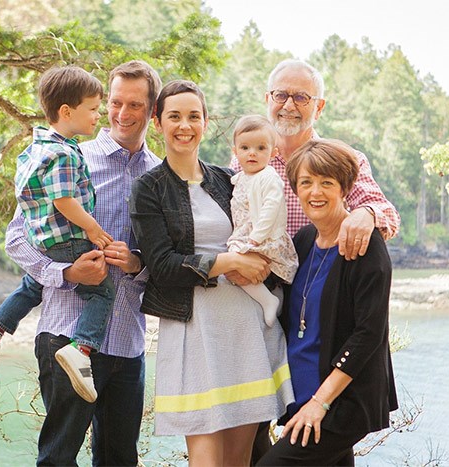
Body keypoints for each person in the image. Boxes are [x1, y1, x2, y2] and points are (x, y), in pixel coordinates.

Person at [4, 60, 162, 466]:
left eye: (136, 106)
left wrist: (136, 265)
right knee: (58, 459)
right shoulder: (68, 155)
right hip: (65, 337)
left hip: (127, 344)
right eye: (114, 103)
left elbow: (163, 262)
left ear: (153, 110)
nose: (122, 114)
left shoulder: (162, 177)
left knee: (119, 460)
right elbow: (17, 238)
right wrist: (66, 273)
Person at [129, 80, 295, 466]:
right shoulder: (148, 188)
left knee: (240, 459)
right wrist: (231, 262)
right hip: (193, 329)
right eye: (174, 116)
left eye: (193, 116)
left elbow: (264, 227)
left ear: (205, 122)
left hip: (245, 329)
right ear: (158, 122)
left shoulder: (228, 178)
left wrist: (264, 262)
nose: (184, 125)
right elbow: (163, 265)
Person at [0, 66, 113, 403]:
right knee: (102, 293)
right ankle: (81, 350)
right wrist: (92, 228)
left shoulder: (36, 148)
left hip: (43, 241)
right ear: (67, 111)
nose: (98, 115)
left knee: (32, 285)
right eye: (92, 109)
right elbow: (63, 200)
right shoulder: (63, 152)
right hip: (69, 240)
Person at [256, 139, 398, 466]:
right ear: (295, 189)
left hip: (340, 403)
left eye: (326, 183)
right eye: (306, 182)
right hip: (302, 395)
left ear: (345, 188)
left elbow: (368, 334)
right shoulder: (304, 240)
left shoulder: (366, 247)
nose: (315, 192)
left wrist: (319, 403)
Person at [229, 59, 400, 261]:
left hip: (317, 277)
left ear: (319, 107)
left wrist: (366, 213)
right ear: (268, 100)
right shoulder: (245, 161)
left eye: (301, 97)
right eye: (281, 95)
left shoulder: (341, 159)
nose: (289, 105)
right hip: (260, 275)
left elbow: (386, 214)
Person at [226, 114, 298, 327]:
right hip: (246, 235)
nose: (252, 154)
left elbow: (270, 211)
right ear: (235, 152)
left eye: (260, 148)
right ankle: (265, 301)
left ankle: (269, 301)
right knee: (234, 267)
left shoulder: (269, 177)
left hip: (265, 238)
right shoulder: (240, 178)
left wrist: (255, 239)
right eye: (245, 148)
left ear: (273, 153)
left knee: (235, 259)